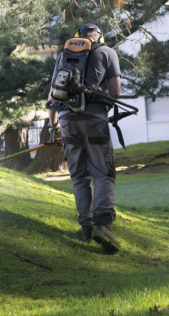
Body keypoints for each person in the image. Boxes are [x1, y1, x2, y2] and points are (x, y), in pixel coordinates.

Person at [48, 23, 121, 253]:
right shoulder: (107, 52)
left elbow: (53, 93)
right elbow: (116, 92)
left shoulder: (64, 55)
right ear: (99, 37)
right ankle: (104, 224)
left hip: (67, 120)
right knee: (102, 172)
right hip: (94, 120)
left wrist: (53, 124)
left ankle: (86, 226)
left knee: (79, 176)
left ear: (78, 37)